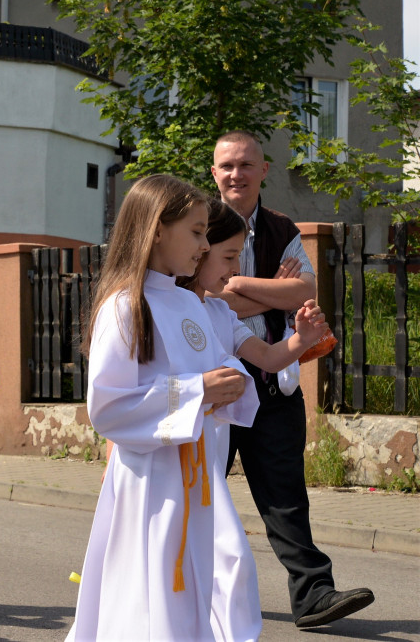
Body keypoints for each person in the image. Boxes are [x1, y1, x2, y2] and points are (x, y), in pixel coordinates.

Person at [67, 175, 253, 641]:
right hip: (151, 480)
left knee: (191, 587)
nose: (204, 244)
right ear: (155, 230)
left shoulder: (188, 303)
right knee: (151, 591)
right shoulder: (125, 307)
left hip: (196, 478)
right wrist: (197, 392)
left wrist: (230, 382)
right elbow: (107, 407)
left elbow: (215, 369)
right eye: (195, 232)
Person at [211, 130, 375, 628]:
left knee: (286, 495)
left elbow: (305, 288)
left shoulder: (282, 228)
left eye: (245, 165)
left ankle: (313, 595)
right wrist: (269, 291)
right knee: (197, 495)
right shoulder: (199, 226)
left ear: (264, 170)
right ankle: (178, 586)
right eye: (226, 166)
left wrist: (237, 285)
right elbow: (207, 300)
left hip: (270, 378)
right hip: (211, 387)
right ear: (213, 172)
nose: (236, 174)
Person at [179, 198, 329, 641]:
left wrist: (301, 339)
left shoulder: (219, 312)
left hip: (209, 452)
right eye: (227, 258)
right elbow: (119, 396)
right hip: (177, 457)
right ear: (199, 250)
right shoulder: (159, 306)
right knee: (197, 556)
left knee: (229, 558)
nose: (232, 269)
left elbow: (265, 354)